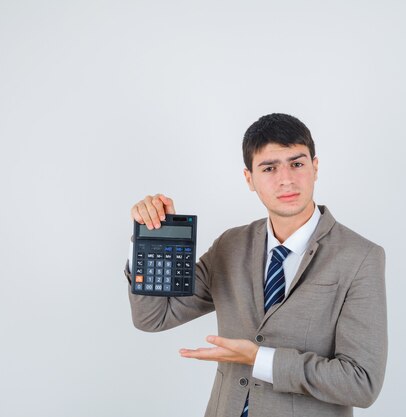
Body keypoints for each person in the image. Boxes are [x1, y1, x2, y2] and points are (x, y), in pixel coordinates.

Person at [124, 113, 387, 417]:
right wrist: (148, 239)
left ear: (315, 167)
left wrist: (261, 359)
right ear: (249, 178)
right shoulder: (230, 246)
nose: (286, 178)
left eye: (297, 164)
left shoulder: (361, 257)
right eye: (269, 168)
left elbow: (362, 383)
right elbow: (154, 318)